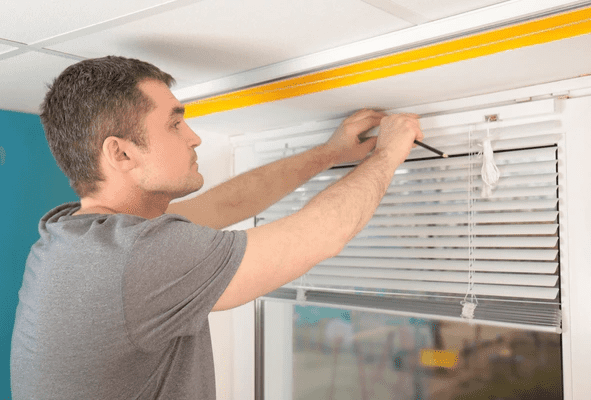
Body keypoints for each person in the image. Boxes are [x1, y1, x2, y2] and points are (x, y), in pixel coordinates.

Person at [10, 56, 423, 399]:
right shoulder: (131, 260)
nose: (194, 138)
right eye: (174, 124)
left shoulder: (77, 239)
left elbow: (228, 204)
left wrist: (330, 153)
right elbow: (320, 235)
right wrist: (387, 156)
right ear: (120, 153)